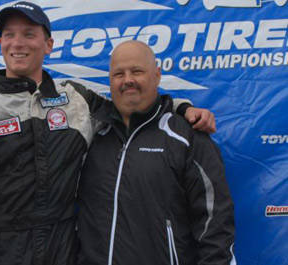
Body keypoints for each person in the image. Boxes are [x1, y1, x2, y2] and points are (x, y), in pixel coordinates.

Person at [0, 2, 216, 265]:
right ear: (1, 44)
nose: (18, 43)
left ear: (48, 44)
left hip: (62, 249)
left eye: (29, 34)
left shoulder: (77, 99)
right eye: (9, 34)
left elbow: (133, 105)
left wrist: (183, 108)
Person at [76, 40, 236, 265]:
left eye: (137, 71)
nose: (128, 80)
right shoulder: (91, 134)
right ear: (110, 81)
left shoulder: (187, 137)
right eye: (118, 74)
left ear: (157, 75)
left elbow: (215, 222)